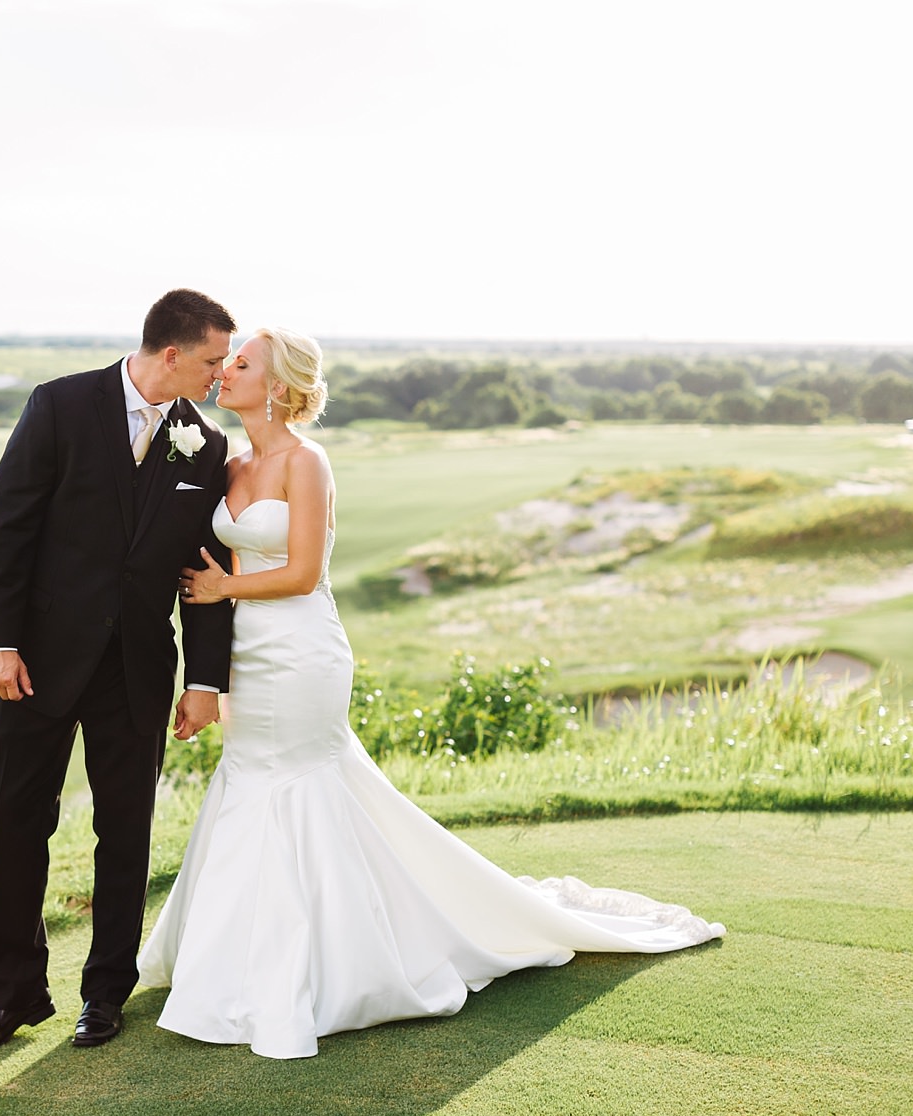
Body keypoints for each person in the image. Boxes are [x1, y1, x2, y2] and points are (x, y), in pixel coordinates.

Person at [139, 329, 724, 1059]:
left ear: (282, 387)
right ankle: (233, 963)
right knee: (250, 780)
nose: (226, 371)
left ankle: (333, 968)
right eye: (227, 362)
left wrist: (227, 585)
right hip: (248, 655)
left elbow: (303, 572)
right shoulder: (230, 462)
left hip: (302, 649)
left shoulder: (306, 463)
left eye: (243, 363)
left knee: (300, 785)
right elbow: (211, 551)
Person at [0, 290, 239, 1057]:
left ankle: (104, 995)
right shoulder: (59, 405)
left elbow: (203, 572)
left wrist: (204, 681)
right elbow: (7, 526)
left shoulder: (205, 446)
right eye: (213, 360)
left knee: (127, 834)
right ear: (171, 353)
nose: (221, 374)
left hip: (135, 672)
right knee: (17, 826)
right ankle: (10, 1000)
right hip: (34, 666)